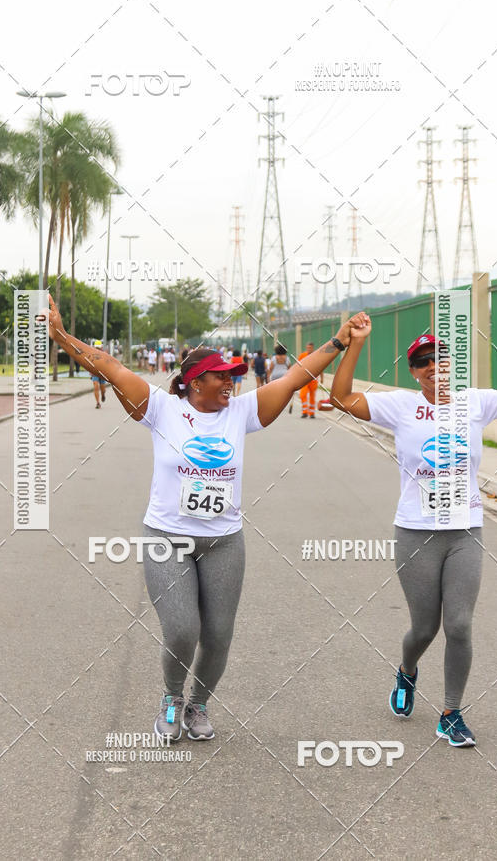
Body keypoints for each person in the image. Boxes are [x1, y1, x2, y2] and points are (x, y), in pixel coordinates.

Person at [47, 294, 365, 741]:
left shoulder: (241, 412)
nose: (231, 382)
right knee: (181, 630)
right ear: (195, 382)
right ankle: (172, 697)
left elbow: (296, 377)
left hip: (224, 543)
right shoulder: (161, 408)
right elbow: (109, 368)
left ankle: (198, 705)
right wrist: (61, 336)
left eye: (233, 376)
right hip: (167, 537)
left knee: (217, 636)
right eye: (222, 376)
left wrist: (338, 340)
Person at [330, 319, 497, 748]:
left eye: (441, 359)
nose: (433, 367)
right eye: (422, 362)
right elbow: (340, 397)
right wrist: (354, 344)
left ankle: (450, 712)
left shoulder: (475, 403)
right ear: (413, 372)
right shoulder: (400, 406)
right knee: (424, 629)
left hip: (464, 531)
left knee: (460, 625)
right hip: (415, 532)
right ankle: (407, 670)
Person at [299, 342, 323, 418]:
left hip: (313, 379)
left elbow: (320, 367)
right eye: (308, 348)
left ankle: (312, 413)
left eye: (310, 348)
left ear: (313, 348)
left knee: (312, 396)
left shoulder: (317, 356)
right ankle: (304, 411)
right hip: (304, 379)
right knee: (303, 395)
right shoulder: (302, 356)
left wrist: (322, 378)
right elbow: (298, 366)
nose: (309, 349)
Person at [268, 344, 292, 413]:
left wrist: (268, 378)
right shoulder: (286, 358)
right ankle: (282, 404)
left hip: (275, 375)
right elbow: (289, 368)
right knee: (283, 391)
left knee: (275, 391)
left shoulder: (274, 358)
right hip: (284, 375)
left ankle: (274, 404)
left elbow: (270, 368)